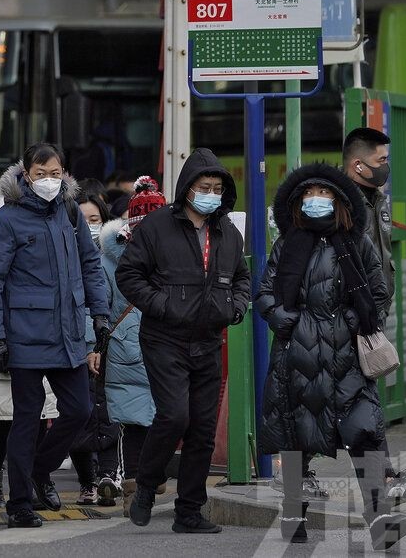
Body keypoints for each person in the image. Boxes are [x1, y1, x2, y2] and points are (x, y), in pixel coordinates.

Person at [256, 163, 406, 551]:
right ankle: (293, 518)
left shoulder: (357, 243)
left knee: (364, 430)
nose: (316, 201)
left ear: (340, 203)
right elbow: (265, 294)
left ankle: (381, 519)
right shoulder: (286, 244)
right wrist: (286, 321)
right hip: (297, 355)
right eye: (309, 195)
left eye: (324, 195)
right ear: (296, 204)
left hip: (347, 356)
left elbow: (379, 292)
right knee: (295, 433)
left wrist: (355, 320)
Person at [0, 142, 112, 528]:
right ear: (25, 173)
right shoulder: (7, 220)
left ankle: (39, 469)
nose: (48, 181)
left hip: (68, 333)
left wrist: (99, 313)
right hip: (23, 335)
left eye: (55, 174)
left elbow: (90, 263)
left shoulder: (69, 211)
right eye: (40, 174)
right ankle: (19, 503)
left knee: (78, 410)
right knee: (27, 418)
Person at [116, 147, 249, 534]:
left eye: (217, 187)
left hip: (209, 339)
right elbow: (129, 275)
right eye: (204, 186)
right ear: (187, 188)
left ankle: (189, 511)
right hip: (164, 338)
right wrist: (162, 305)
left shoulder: (227, 232)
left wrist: (236, 306)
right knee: (175, 415)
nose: (211, 193)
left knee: (202, 430)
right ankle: (146, 484)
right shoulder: (157, 226)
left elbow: (241, 277)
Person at [342, 128, 406, 508]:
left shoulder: (373, 198)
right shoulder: (341, 204)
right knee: (345, 411)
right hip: (343, 324)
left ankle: (382, 488)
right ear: (358, 164)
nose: (386, 168)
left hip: (364, 322)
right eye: (381, 161)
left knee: (359, 409)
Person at [0, 181, 59, 510]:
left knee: (39, 422)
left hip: (37, 349)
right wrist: (0, 336)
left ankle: (36, 478)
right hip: (0, 351)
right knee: (2, 425)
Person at [88, 177, 165, 514]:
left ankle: (152, 476)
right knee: (135, 422)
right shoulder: (108, 260)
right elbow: (97, 307)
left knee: (166, 418)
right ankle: (135, 489)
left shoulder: (175, 254)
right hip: (126, 351)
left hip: (168, 349)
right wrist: (95, 346)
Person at [67, 191, 117, 505]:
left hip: (111, 344)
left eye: (95, 220)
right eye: (83, 221)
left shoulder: (116, 256)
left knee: (108, 411)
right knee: (79, 413)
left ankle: (108, 476)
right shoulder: (62, 256)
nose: (89, 227)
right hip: (72, 345)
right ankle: (87, 481)